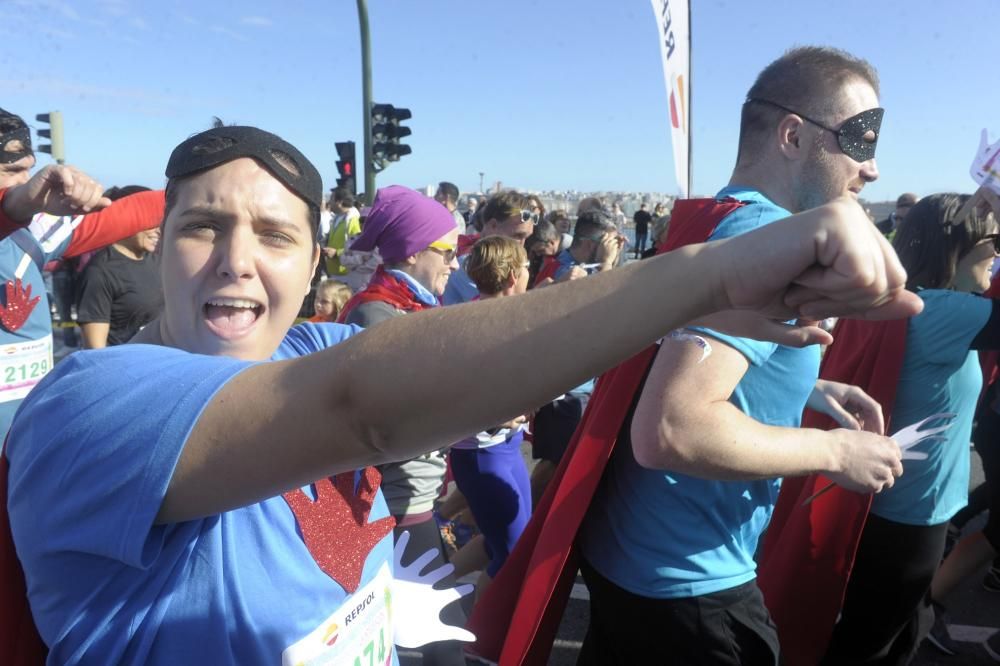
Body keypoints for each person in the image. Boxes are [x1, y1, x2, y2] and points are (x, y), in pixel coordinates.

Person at [1, 119, 921, 665]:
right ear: (158, 249)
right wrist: (708, 277)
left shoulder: (309, 340)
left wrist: (795, 389)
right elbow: (362, 405)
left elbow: (490, 352)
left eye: (274, 237)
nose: (239, 262)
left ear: (312, 260)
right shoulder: (92, 400)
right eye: (203, 228)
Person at [462, 46, 899, 666]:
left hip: (633, 560)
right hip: (688, 589)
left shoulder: (711, 218)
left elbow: (676, 358)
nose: (873, 167)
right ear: (793, 135)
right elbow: (672, 429)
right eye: (858, 139)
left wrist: (810, 390)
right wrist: (836, 451)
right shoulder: (760, 238)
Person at [808, 191, 1000, 664]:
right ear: (956, 247)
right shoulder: (943, 312)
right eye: (992, 241)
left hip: (888, 503)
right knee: (871, 641)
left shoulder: (903, 300)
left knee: (892, 626)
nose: (996, 255)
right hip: (913, 514)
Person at [338, 185, 466, 665]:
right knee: (435, 647)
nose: (455, 264)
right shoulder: (379, 313)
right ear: (414, 251)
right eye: (449, 252)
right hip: (395, 503)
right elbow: (385, 425)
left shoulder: (401, 307)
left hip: (410, 498)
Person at [0, 108, 164, 431]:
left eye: (29, 170)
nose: (27, 183)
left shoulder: (33, 233)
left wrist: (207, 185)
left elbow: (126, 215)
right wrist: (9, 207)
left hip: (27, 444)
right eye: (12, 170)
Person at [450, 236, 533, 601]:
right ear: (514, 275)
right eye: (527, 266)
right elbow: (460, 394)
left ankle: (425, 588)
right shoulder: (479, 324)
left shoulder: (494, 315)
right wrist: (501, 415)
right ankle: (479, 643)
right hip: (484, 456)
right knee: (512, 556)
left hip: (503, 450)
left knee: (511, 545)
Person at [76, 186, 163, 348]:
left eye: (158, 220)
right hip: (125, 368)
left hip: (159, 364)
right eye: (150, 221)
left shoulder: (157, 260)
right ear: (124, 220)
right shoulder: (100, 272)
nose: (157, 229)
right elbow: (96, 350)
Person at [441, 190, 536, 305]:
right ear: (493, 225)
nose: (522, 244)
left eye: (527, 237)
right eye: (517, 235)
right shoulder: (471, 263)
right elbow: (499, 310)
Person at [533, 207, 622, 285]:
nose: (612, 248)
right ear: (590, 244)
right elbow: (599, 298)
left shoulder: (584, 263)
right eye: (609, 243)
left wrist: (615, 255)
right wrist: (606, 262)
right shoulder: (566, 273)